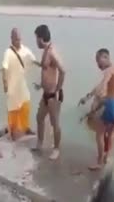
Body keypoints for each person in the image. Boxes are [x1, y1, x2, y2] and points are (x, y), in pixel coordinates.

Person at [78, 48, 114, 170]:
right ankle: (107, 156)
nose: (97, 65)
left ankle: (99, 162)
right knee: (110, 133)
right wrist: (88, 96)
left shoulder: (108, 70)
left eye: (98, 60)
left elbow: (102, 86)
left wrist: (94, 104)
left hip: (111, 105)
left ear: (106, 57)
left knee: (99, 134)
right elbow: (102, 85)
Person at [32, 25, 65, 160]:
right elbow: (47, 70)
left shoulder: (51, 52)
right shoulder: (45, 51)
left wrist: (58, 88)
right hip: (45, 94)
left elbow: (63, 70)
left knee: (55, 123)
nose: (35, 41)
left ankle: (56, 149)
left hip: (53, 96)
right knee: (39, 118)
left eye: (36, 38)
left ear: (40, 38)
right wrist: (41, 85)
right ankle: (39, 144)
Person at [1, 28, 36, 140]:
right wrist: (5, 83)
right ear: (11, 39)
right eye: (16, 39)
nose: (18, 41)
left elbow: (34, 61)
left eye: (19, 39)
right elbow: (4, 68)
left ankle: (26, 128)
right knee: (13, 110)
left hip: (22, 86)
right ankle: (12, 131)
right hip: (12, 87)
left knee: (26, 106)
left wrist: (45, 65)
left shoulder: (25, 50)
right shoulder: (8, 52)